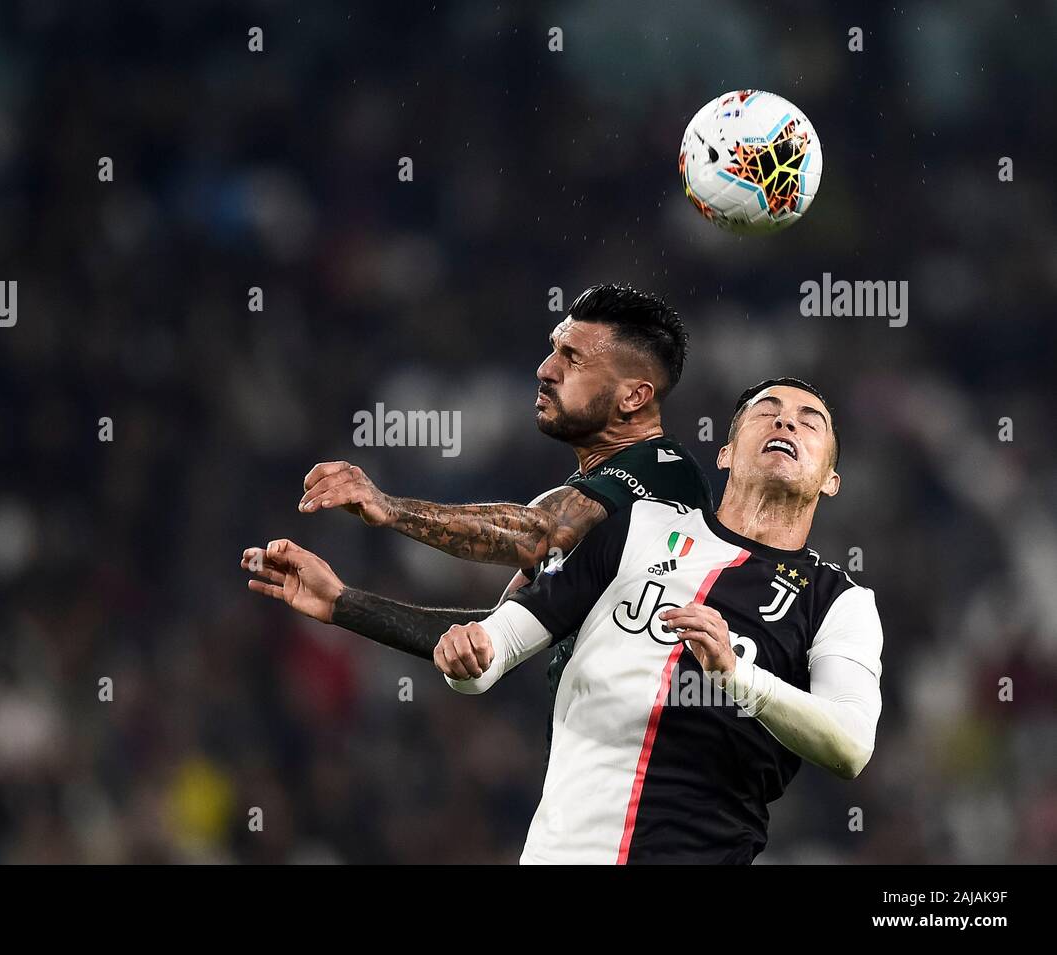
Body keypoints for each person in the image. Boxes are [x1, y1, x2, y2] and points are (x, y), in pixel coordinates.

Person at [244, 379, 882, 864]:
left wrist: (740, 677)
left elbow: (851, 746)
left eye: (810, 421)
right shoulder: (639, 526)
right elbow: (499, 642)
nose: (786, 423)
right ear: (724, 452)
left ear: (831, 479)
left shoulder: (840, 602)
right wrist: (345, 603)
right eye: (768, 411)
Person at [294, 284, 710, 748]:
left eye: (572, 359)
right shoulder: (593, 511)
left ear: (634, 397)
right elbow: (491, 641)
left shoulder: (667, 474)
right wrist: (341, 603)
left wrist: (391, 509)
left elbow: (536, 532)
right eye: (554, 350)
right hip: (587, 785)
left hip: (659, 780)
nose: (545, 370)